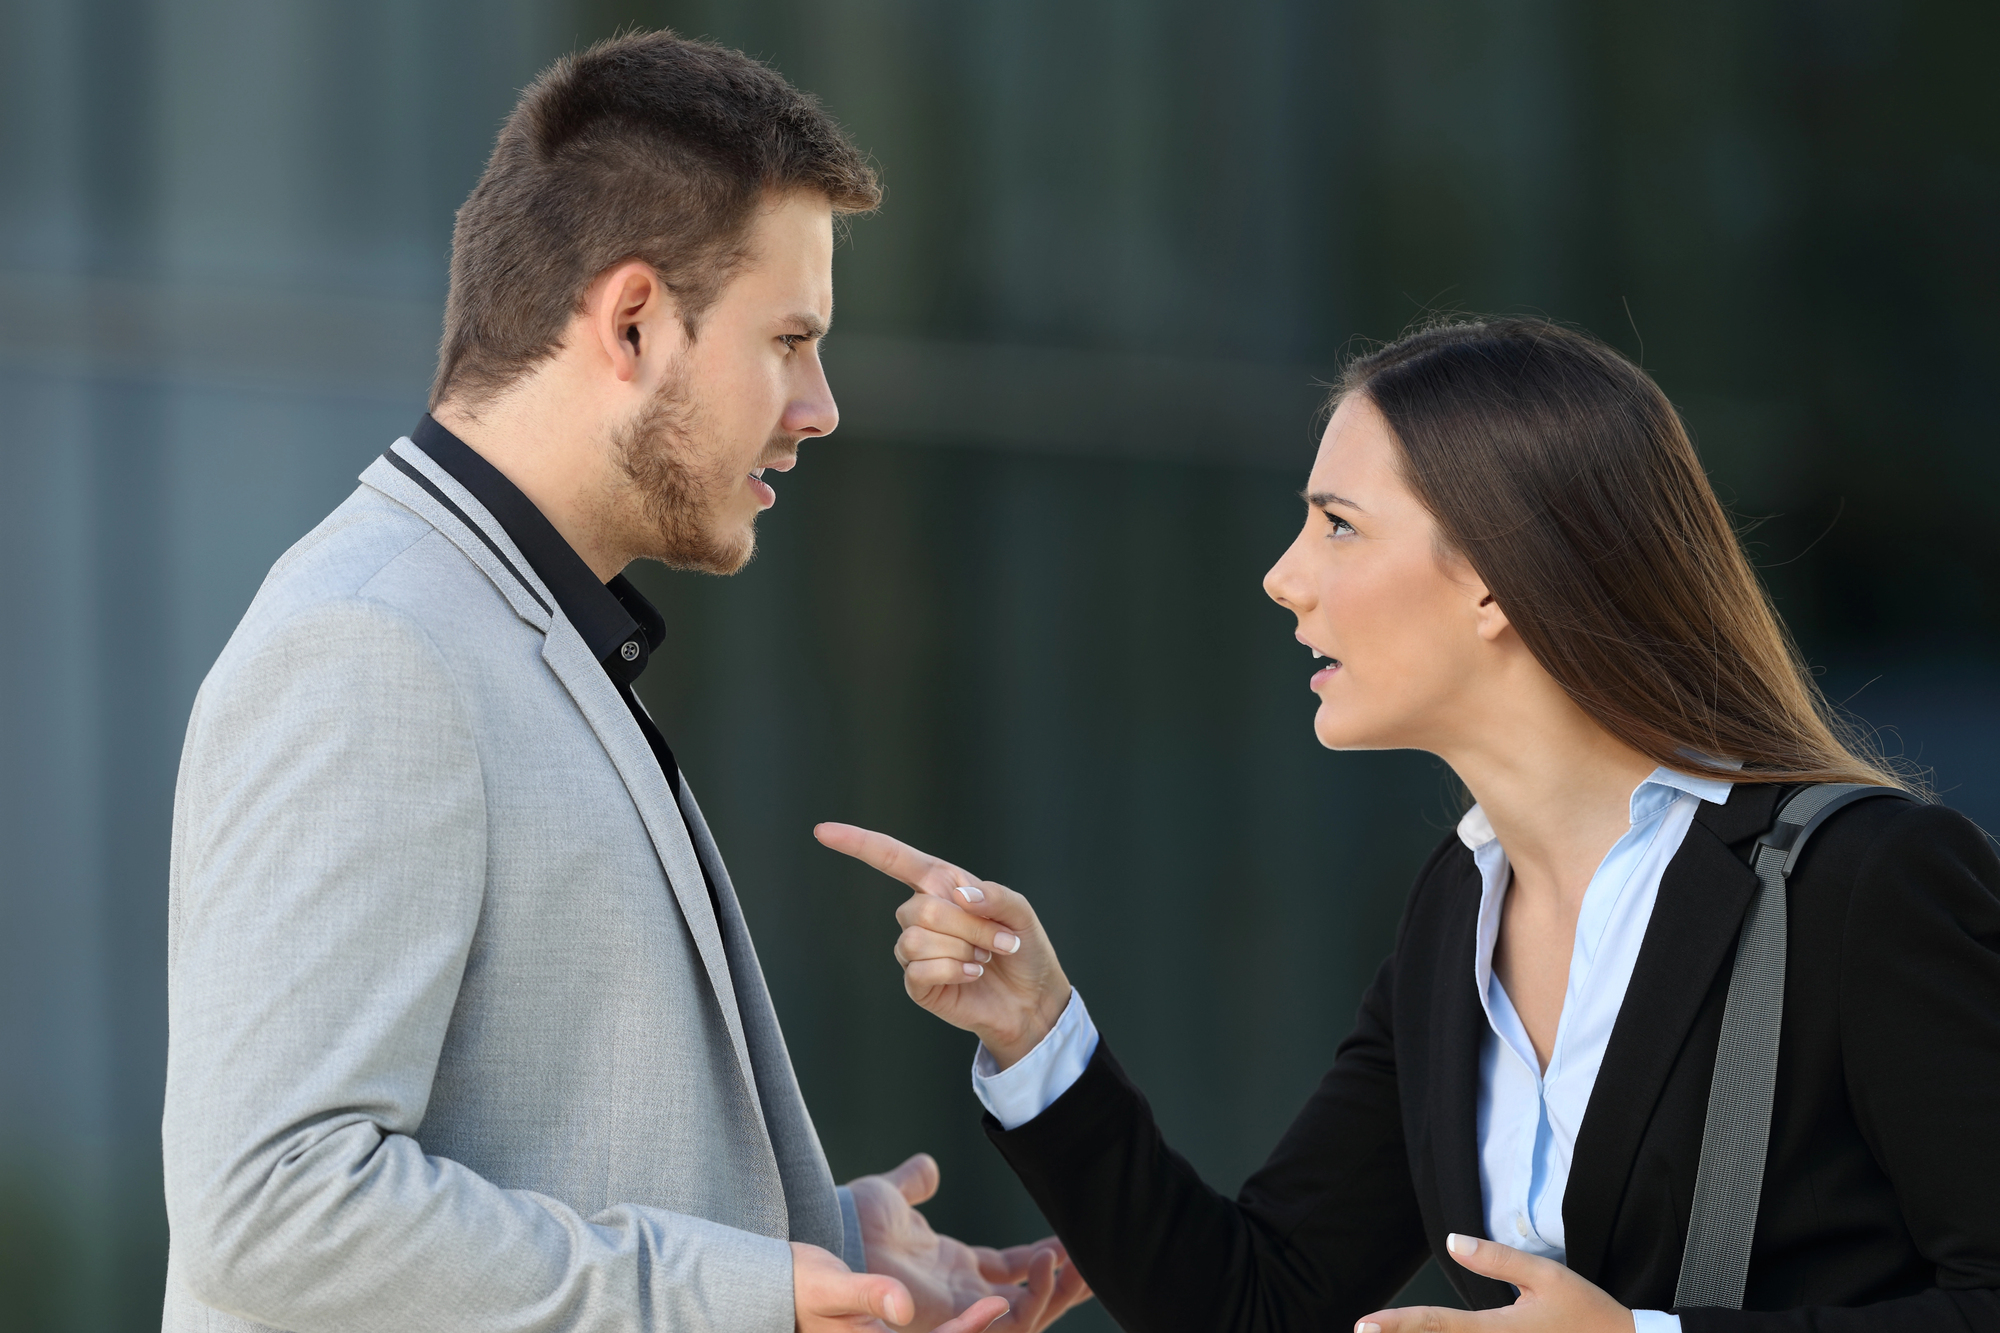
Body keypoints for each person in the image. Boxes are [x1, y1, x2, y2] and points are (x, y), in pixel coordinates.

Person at [162, 30, 1090, 1333]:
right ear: (636, 319)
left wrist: (818, 1243)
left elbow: (538, 1147)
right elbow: (273, 1209)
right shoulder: (376, 646)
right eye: (789, 340)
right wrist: (742, 1291)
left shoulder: (508, 622)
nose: (819, 405)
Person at [817, 317, 2000, 1332]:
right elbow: (1258, 1305)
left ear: (1494, 575)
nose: (1284, 577)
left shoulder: (1862, 881)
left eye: (1335, 524)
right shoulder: (1457, 910)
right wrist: (1036, 1032)